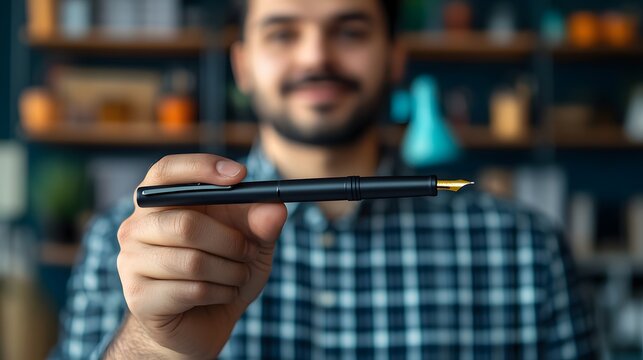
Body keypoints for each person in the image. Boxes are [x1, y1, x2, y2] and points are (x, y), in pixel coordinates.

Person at [49, 0, 596, 358]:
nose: (316, 55)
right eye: (283, 33)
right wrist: (155, 346)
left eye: (350, 30)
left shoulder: (526, 248)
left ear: (395, 58)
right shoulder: (133, 240)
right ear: (242, 64)